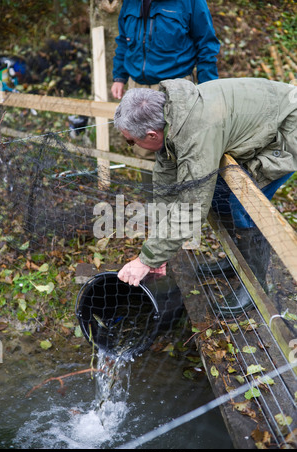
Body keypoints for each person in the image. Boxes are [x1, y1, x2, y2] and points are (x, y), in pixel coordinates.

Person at [113, 77, 297, 315]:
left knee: (243, 203)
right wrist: (157, 252)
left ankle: (255, 286)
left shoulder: (195, 132)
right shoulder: (172, 116)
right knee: (219, 193)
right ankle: (235, 260)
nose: (131, 145)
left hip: (288, 131)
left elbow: (191, 207)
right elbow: (165, 184)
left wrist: (146, 261)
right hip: (267, 119)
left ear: (151, 135)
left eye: (131, 142)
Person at [111, 0, 220, 183]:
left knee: (178, 147)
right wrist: (119, 77)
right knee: (142, 147)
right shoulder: (129, 2)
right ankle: (153, 202)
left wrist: (208, 89)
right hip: (136, 86)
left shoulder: (191, 3)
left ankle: (181, 203)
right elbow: (123, 41)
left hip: (175, 87)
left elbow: (207, 45)